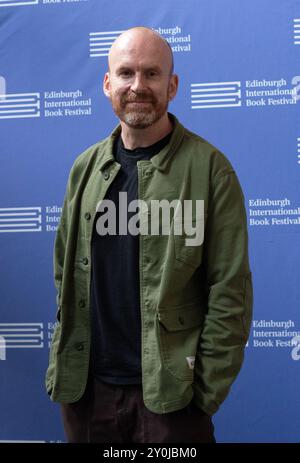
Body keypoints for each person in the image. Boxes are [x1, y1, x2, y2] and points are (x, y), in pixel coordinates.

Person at [45, 26, 253, 443]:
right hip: (88, 396)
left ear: (172, 85)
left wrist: (204, 394)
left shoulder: (211, 170)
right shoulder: (84, 169)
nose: (137, 86)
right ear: (108, 84)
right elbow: (63, 273)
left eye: (152, 74)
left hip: (171, 402)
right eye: (125, 73)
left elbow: (230, 290)